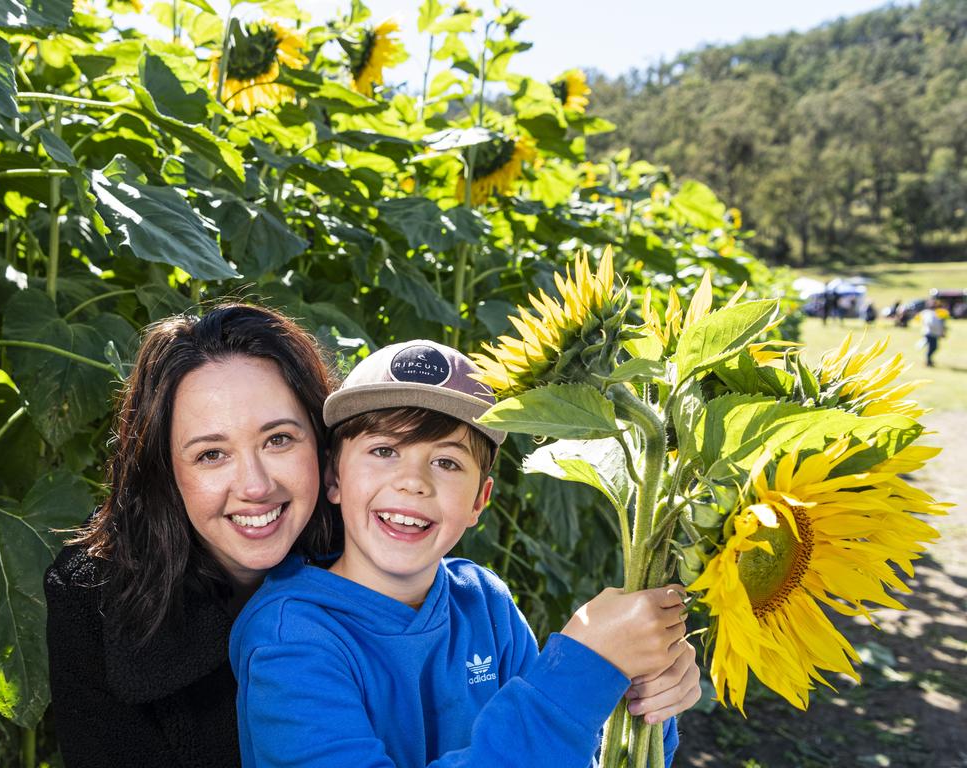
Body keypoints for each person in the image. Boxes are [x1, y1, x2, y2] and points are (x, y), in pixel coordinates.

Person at [231, 339, 698, 768]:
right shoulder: (290, 638)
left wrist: (639, 699)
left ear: (480, 500)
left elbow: (564, 750)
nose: (413, 481)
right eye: (384, 450)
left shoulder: (484, 602)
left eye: (447, 461)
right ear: (333, 478)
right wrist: (579, 673)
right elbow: (549, 720)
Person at [44, 303, 339, 768]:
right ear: (166, 471)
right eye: (211, 455)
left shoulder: (376, 557)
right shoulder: (92, 597)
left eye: (278, 439)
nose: (255, 486)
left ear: (322, 443)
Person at [919, 298, 946, 367]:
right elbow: (930, 323)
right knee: (932, 347)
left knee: (934, 347)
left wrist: (941, 332)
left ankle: (929, 361)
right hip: (929, 333)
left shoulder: (937, 313)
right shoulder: (928, 313)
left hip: (934, 334)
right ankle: (928, 361)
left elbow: (940, 324)